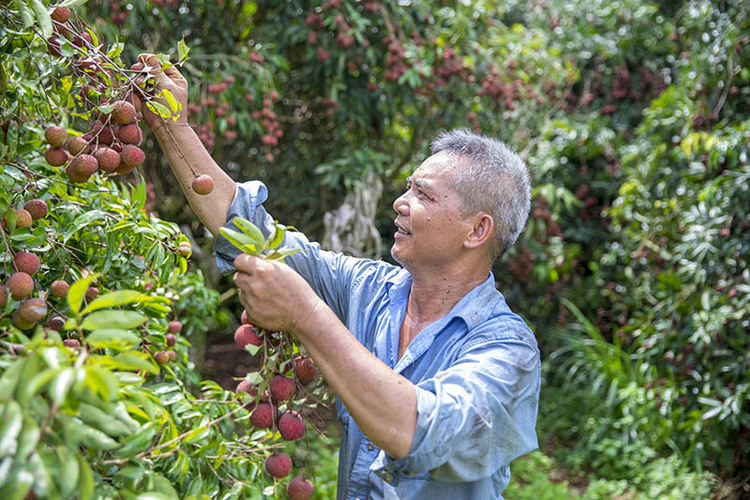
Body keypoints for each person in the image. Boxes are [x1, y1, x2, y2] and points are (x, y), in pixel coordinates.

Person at [137, 53, 541, 499]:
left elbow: (418, 430)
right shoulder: (367, 289)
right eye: (407, 186)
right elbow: (246, 228)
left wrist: (306, 315)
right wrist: (171, 126)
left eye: (422, 194)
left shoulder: (507, 350)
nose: (400, 202)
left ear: (477, 230)